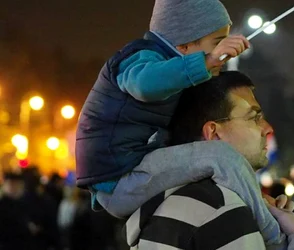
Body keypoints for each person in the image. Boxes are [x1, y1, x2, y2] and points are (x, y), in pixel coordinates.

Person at [75, 0, 250, 208]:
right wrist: (207, 61)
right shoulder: (140, 57)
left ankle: (264, 210)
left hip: (134, 171)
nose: (223, 53)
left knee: (214, 160)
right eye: (217, 43)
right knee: (221, 156)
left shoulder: (180, 79)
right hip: (119, 177)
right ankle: (275, 236)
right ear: (184, 45)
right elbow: (143, 84)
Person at [121, 71, 294, 249]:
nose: (267, 128)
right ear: (214, 133)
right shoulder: (221, 209)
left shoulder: (167, 203)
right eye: (254, 117)